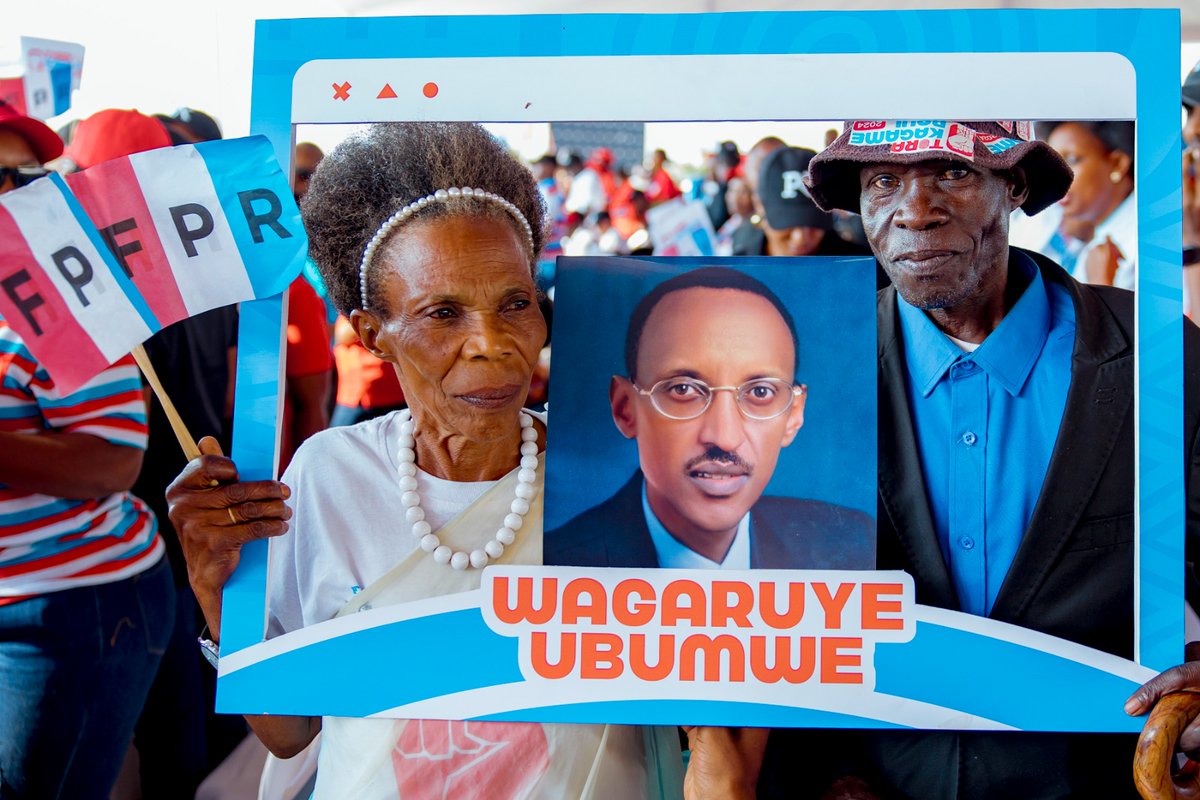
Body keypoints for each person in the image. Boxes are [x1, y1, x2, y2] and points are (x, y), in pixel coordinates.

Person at [685, 118, 1200, 799]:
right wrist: (823, 772)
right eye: (885, 182)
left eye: (953, 174)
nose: (915, 211)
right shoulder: (802, 368)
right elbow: (756, 601)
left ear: (1013, 185)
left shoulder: (1155, 357)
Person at [165, 122, 682, 799]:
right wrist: (213, 584)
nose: (492, 343)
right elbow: (290, 732)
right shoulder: (327, 478)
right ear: (371, 333)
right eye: (443, 313)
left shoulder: (621, 466)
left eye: (516, 304)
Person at [0, 103, 174, 798]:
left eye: (27, 174)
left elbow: (114, 459)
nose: (19, 192)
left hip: (66, 607)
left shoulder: (54, 295)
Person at [545, 267, 873, 571]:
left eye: (760, 393)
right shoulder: (555, 565)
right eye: (684, 389)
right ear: (625, 409)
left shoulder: (853, 546)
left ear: (793, 415)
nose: (725, 437)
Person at [1009, 121, 1136, 289]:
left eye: (1072, 160)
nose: (1057, 176)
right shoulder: (1090, 233)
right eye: (1053, 164)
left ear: (1117, 164)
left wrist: (1102, 285)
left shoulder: (1139, 243)